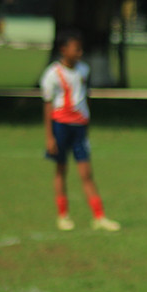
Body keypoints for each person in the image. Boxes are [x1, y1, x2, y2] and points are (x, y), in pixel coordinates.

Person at [40, 30, 120, 232]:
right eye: (76, 49)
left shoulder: (84, 70)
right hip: (61, 125)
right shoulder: (52, 74)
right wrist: (49, 136)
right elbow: (48, 106)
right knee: (61, 170)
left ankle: (99, 216)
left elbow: (86, 96)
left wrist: (88, 121)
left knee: (86, 172)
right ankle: (63, 215)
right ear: (63, 50)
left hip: (80, 127)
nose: (79, 53)